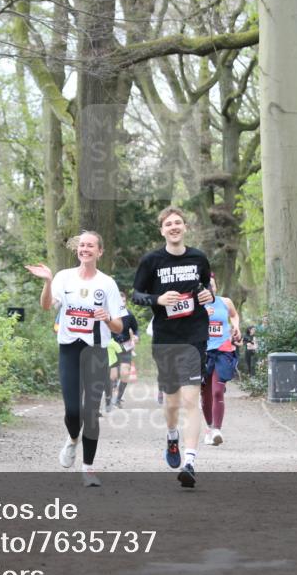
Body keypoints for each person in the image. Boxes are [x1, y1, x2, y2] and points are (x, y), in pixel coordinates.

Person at [26, 231, 124, 487]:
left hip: (96, 352)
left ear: (99, 251)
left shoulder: (107, 283)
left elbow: (119, 327)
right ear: (77, 250)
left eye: (91, 245)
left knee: (91, 413)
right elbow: (47, 306)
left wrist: (106, 319)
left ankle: (88, 468)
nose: (85, 249)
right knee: (72, 410)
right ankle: (72, 440)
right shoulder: (63, 277)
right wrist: (47, 282)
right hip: (69, 349)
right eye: (82, 245)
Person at [132, 206, 214, 488]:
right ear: (162, 230)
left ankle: (190, 462)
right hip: (166, 337)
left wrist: (208, 294)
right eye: (169, 224)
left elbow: (209, 286)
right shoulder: (152, 261)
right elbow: (137, 295)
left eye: (178, 222)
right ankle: (171, 435)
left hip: (195, 335)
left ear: (185, 227)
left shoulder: (198, 257)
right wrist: (157, 300)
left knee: (192, 401)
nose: (174, 227)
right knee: (173, 402)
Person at [202, 275, 242, 446]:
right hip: (202, 353)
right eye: (207, 286)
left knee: (218, 391)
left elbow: (234, 315)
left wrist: (236, 326)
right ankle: (210, 428)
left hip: (223, 350)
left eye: (213, 285)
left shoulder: (225, 302)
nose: (210, 288)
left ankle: (217, 430)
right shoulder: (196, 306)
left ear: (216, 287)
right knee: (205, 394)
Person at [106, 291, 139, 410]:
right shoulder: (109, 314)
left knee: (125, 373)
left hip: (125, 346)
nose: (122, 304)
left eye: (124, 301)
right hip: (112, 348)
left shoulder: (129, 315)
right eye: (120, 301)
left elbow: (135, 329)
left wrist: (136, 336)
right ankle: (109, 400)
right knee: (113, 375)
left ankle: (118, 399)